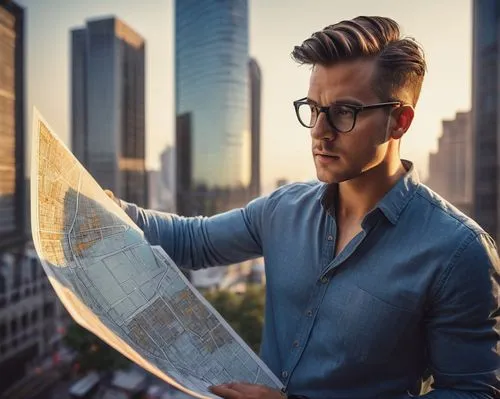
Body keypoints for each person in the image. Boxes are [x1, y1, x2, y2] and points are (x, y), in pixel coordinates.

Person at [109, 16, 499, 399]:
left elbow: (473, 392)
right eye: (313, 107)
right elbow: (191, 240)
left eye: (344, 112)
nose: (319, 131)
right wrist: (96, 204)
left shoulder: (458, 252)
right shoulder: (283, 209)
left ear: (399, 121)